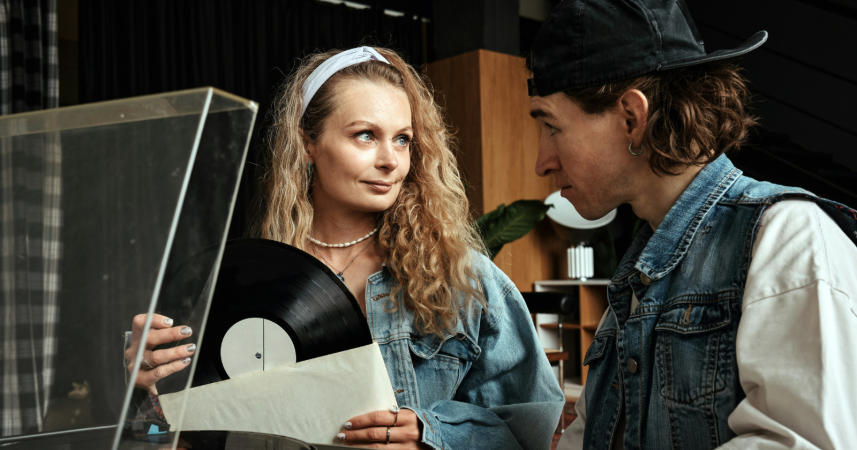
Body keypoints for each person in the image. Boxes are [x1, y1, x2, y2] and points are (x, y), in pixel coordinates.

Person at [124, 46, 565, 450]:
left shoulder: (464, 279)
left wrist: (432, 436)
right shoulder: (243, 281)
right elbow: (167, 439)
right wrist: (146, 392)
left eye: (403, 139)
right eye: (365, 135)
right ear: (307, 142)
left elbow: (531, 432)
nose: (391, 160)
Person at [522, 2, 857, 449]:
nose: (542, 162)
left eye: (551, 126)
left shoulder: (788, 236)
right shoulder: (636, 280)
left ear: (632, 118)